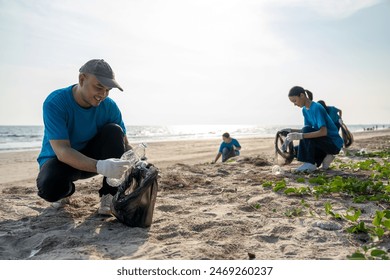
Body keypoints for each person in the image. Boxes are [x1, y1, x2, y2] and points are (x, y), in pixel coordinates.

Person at [36, 59, 132, 215]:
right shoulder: (55, 102)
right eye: (99, 87)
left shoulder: (110, 107)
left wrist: (139, 162)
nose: (103, 94)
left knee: (114, 130)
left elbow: (125, 145)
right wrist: (100, 166)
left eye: (108, 90)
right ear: (82, 79)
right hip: (61, 161)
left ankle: (109, 195)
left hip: (94, 158)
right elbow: (62, 151)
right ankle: (66, 192)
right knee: (49, 189)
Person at [286, 86, 344, 172]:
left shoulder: (316, 107)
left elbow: (323, 132)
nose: (295, 104)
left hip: (333, 144)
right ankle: (325, 157)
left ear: (302, 95)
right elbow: (308, 129)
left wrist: (301, 135)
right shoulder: (305, 110)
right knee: (295, 150)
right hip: (323, 142)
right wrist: (291, 131)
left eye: (295, 101)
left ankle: (310, 163)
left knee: (305, 133)